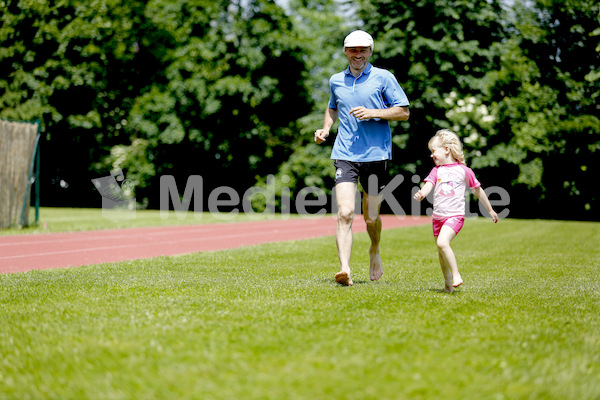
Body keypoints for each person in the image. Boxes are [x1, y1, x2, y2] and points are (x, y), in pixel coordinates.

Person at [314, 30, 410, 286]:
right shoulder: (336, 80)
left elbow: (403, 112)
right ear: (345, 51)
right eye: (353, 50)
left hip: (376, 155)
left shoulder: (383, 77)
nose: (358, 55)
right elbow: (332, 106)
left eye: (363, 50)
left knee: (371, 217)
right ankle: (344, 268)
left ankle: (374, 250)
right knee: (345, 212)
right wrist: (326, 129)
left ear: (370, 51)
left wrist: (372, 112)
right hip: (345, 154)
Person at [413, 129, 498, 293]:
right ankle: (447, 284)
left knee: (442, 243)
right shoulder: (436, 170)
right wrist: (422, 194)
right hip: (437, 218)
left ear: (446, 149)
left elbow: (478, 191)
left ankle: (456, 275)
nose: (432, 155)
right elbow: (428, 185)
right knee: (441, 251)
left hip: (455, 217)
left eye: (433, 151)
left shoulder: (464, 171)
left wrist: (490, 209)